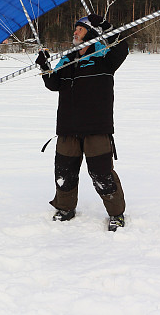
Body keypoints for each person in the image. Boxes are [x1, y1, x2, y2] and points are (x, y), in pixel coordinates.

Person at [35, 13, 129, 231]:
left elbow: (122, 47)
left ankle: (116, 213)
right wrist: (44, 66)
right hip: (68, 127)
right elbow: (53, 84)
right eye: (75, 29)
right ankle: (65, 208)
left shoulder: (104, 58)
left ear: (91, 33)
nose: (75, 32)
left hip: (96, 126)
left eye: (79, 29)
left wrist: (106, 25)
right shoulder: (67, 60)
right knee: (64, 172)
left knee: (101, 173)